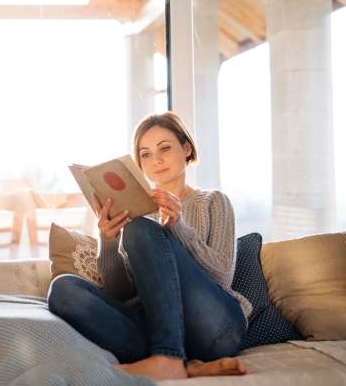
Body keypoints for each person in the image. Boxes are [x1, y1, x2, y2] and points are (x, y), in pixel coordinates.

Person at [47, 111, 252, 381]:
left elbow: (222, 276)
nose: (156, 160)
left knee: (141, 229)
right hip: (155, 329)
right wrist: (108, 242)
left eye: (165, 148)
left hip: (215, 327)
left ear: (186, 148)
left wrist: (177, 226)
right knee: (63, 289)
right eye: (145, 154)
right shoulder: (137, 216)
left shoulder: (213, 201)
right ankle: (181, 362)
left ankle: (168, 357)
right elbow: (120, 294)